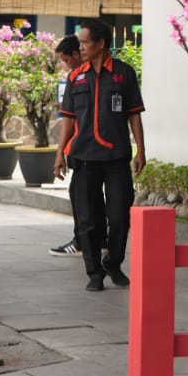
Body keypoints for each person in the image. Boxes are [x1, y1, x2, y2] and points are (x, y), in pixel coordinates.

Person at [54, 18, 145, 291]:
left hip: (116, 158)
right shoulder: (76, 77)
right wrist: (59, 153)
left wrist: (141, 149)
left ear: (101, 44)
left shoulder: (124, 73)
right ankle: (94, 273)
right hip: (84, 158)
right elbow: (68, 119)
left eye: (85, 42)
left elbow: (134, 115)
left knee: (119, 217)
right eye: (80, 42)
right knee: (87, 219)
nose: (80, 47)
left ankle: (113, 264)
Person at [49, 34, 107, 258]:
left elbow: (70, 118)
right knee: (85, 193)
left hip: (90, 147)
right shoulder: (77, 77)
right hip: (80, 146)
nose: (66, 65)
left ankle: (84, 240)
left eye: (66, 60)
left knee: (82, 195)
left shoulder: (91, 76)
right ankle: (96, 239)